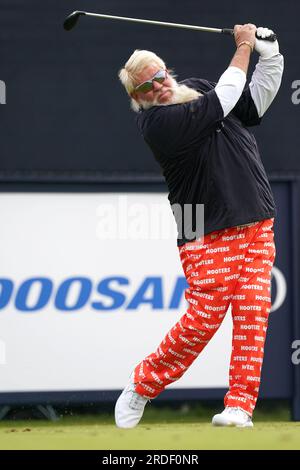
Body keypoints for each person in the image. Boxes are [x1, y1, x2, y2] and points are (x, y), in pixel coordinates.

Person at [115, 24, 284, 428]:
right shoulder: (157, 124)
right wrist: (244, 46)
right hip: (202, 226)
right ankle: (142, 385)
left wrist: (272, 57)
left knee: (252, 313)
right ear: (137, 100)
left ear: (167, 71)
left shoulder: (196, 86)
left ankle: (240, 406)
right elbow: (226, 96)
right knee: (203, 319)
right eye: (145, 88)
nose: (157, 87)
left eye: (159, 76)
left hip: (255, 216)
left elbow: (252, 104)